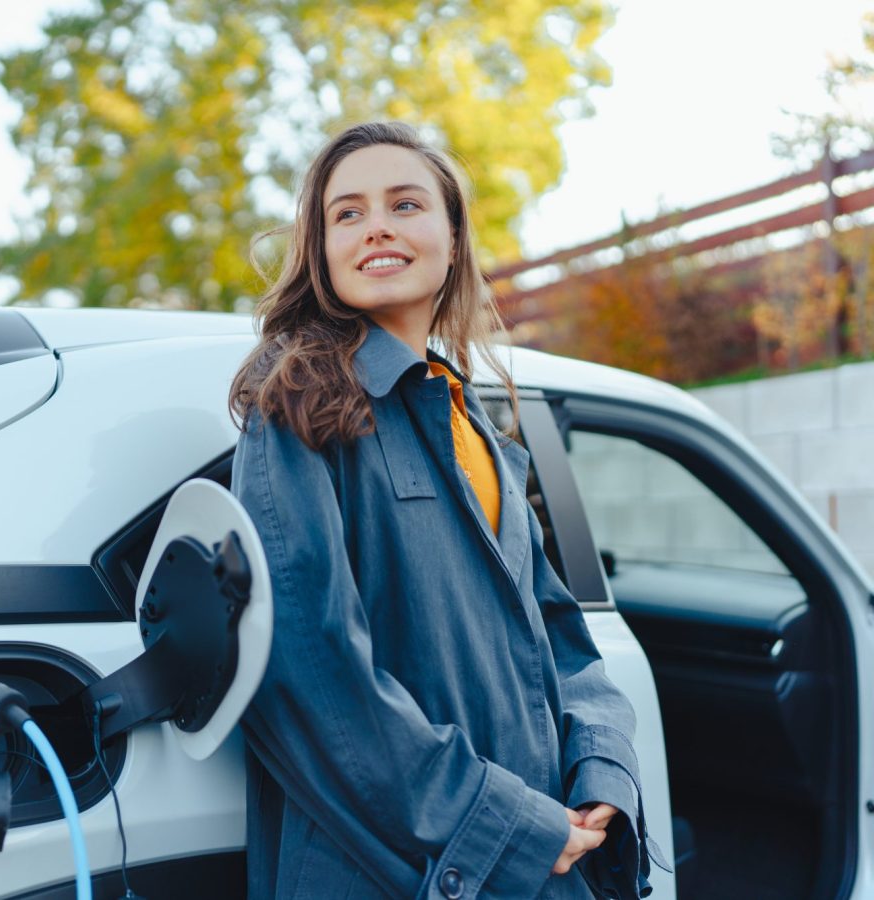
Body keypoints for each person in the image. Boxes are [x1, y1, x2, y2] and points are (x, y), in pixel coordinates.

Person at [228, 121, 668, 899]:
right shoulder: (298, 402)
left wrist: (601, 767)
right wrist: (503, 822)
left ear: (455, 238)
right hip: (403, 866)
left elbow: (560, 634)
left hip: (542, 857)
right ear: (321, 248)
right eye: (348, 213)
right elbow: (310, 669)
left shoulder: (478, 430)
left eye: (405, 204)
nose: (378, 229)